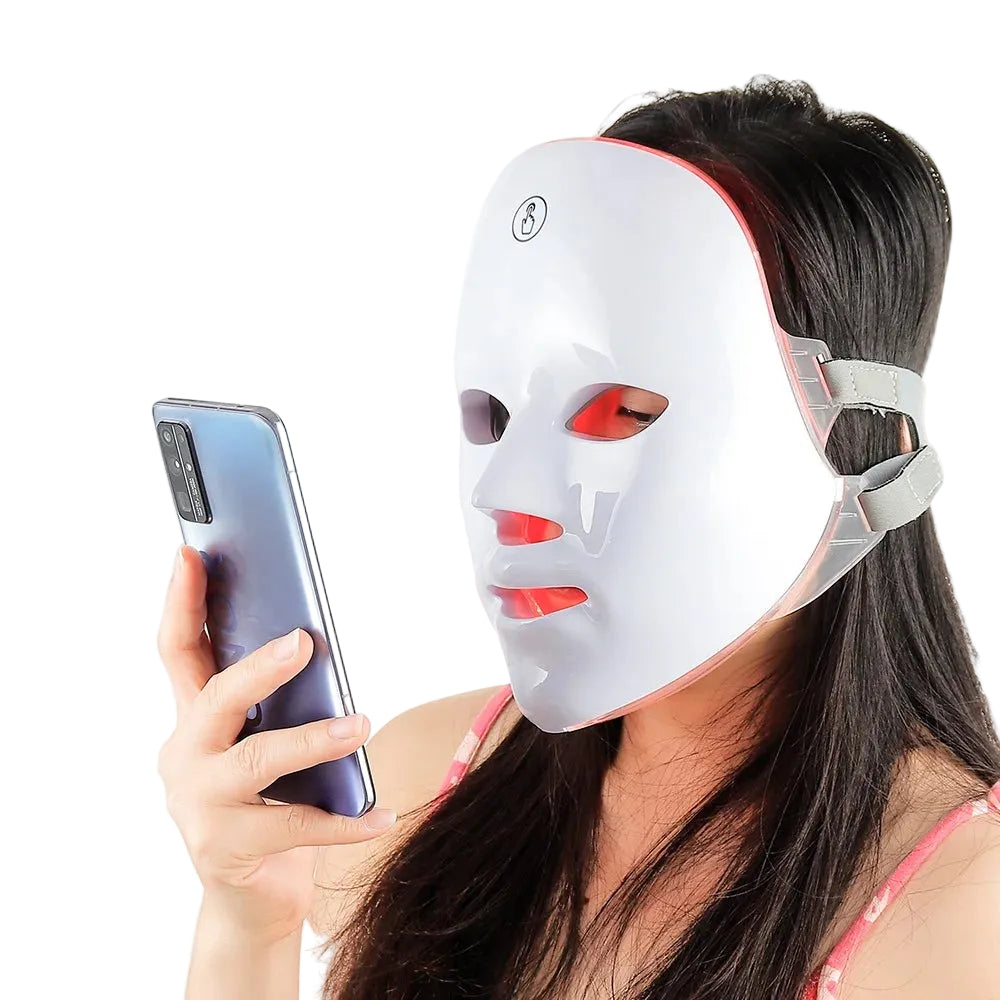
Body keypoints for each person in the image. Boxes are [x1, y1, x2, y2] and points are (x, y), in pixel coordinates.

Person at [155, 75, 1000, 1000]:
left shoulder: (967, 910)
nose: (508, 497)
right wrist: (250, 920)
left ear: (872, 442)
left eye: (621, 412)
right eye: (494, 414)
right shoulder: (418, 783)